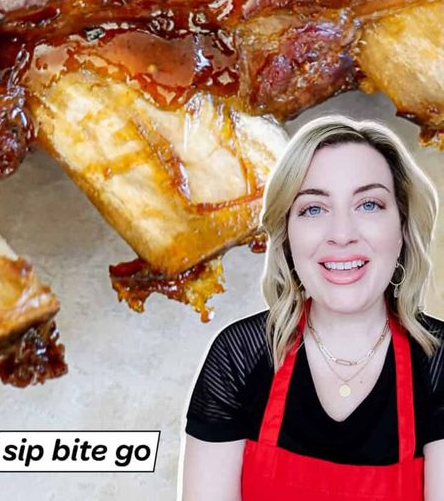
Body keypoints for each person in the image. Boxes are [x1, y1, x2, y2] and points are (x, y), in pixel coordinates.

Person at [181, 115, 444, 501]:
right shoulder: (240, 356)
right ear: (286, 235)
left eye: (369, 204)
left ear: (402, 228)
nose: (341, 235)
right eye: (313, 209)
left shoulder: (438, 363)